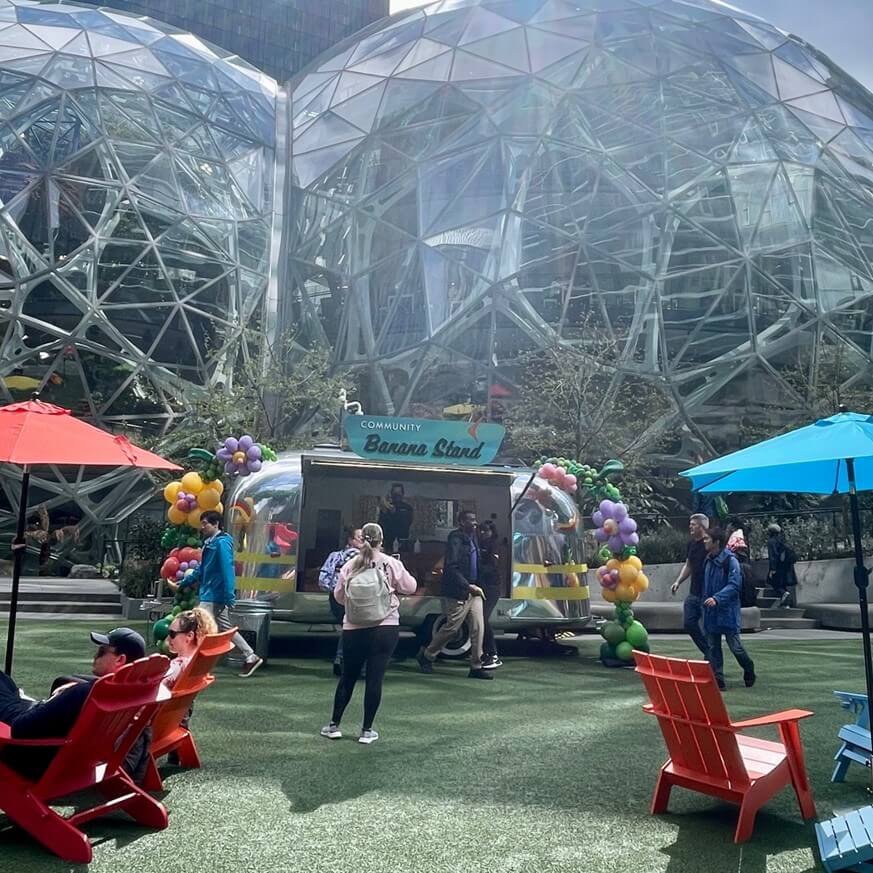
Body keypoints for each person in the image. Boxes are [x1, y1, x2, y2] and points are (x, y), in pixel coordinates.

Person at [0, 627, 150, 779]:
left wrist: (57, 699)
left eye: (102, 651)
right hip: (74, 762)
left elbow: (19, 728)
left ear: (120, 660)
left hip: (31, 758)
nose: (95, 655)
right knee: (5, 681)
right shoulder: (128, 695)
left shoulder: (82, 694)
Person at [321, 523, 416, 744]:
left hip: (354, 627)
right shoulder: (391, 563)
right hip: (386, 626)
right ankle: (366, 730)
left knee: (348, 677)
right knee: (375, 678)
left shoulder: (350, 565)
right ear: (381, 540)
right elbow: (410, 586)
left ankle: (334, 725)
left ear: (361, 539)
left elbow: (338, 596)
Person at [181, 509, 264, 677]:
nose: (202, 527)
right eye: (202, 523)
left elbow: (227, 569)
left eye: (205, 524)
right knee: (225, 628)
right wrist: (184, 582)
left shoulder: (221, 542)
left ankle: (194, 664)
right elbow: (202, 569)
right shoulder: (211, 542)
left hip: (213, 594)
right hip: (211, 593)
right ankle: (250, 655)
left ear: (216, 524)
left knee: (200, 627)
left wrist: (229, 595)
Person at [416, 510, 492, 680]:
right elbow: (451, 566)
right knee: (452, 628)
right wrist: (468, 585)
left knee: (478, 628)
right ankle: (427, 655)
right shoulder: (455, 538)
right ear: (460, 522)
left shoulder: (474, 538)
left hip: (475, 591)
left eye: (474, 519)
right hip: (459, 591)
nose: (474, 522)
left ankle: (476, 666)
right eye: (469, 520)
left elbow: (476, 562)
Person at [702, 527, 756, 690]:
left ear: (716, 542)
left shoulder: (730, 561)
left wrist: (717, 599)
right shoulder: (708, 560)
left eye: (707, 539)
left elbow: (734, 585)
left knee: (735, 647)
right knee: (713, 647)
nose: (704, 541)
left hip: (727, 611)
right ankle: (718, 679)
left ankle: (748, 668)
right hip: (711, 611)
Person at [319, 526, 364, 676]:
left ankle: (341, 658)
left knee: (348, 627)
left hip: (336, 598)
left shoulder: (335, 556)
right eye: (360, 538)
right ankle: (348, 661)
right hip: (356, 598)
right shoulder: (366, 558)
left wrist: (336, 589)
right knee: (355, 628)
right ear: (350, 540)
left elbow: (323, 580)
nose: (364, 540)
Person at [670, 514, 710, 656]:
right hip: (694, 593)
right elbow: (689, 565)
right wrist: (678, 581)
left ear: (702, 527)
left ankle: (712, 659)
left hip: (708, 594)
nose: (690, 527)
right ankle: (708, 652)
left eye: (693, 524)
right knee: (689, 623)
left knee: (708, 628)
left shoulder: (710, 544)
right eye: (690, 524)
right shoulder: (691, 544)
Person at [163, 607, 219, 688]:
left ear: (189, 636)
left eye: (172, 633)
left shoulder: (177, 666)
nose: (168, 638)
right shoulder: (197, 665)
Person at [478, 520, 502, 670]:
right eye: (481, 530)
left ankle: (493, 654)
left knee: (483, 618)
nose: (482, 533)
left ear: (492, 532)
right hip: (481, 586)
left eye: (486, 530)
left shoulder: (495, 544)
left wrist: (475, 568)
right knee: (478, 620)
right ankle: (484, 653)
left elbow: (492, 566)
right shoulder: (477, 543)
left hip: (492, 587)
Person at [767, 523, 798, 608]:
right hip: (787, 566)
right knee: (783, 585)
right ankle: (786, 604)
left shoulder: (771, 541)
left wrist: (772, 569)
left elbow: (773, 555)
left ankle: (784, 594)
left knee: (775, 584)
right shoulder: (783, 540)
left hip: (778, 566)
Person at [377, 483, 414, 551]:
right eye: (395, 492)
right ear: (392, 494)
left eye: (399, 492)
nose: (397, 495)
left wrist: (395, 513)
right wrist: (385, 512)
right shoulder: (385, 507)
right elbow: (380, 524)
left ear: (402, 494)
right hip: (387, 543)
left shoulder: (407, 508)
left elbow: (407, 523)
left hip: (402, 542)